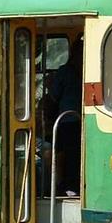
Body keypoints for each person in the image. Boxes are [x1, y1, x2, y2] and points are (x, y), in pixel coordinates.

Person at [45, 38, 83, 196]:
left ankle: (67, 186)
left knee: (70, 156)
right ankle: (68, 186)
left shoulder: (64, 72)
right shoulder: (69, 72)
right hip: (71, 121)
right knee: (69, 156)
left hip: (68, 121)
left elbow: (53, 97)